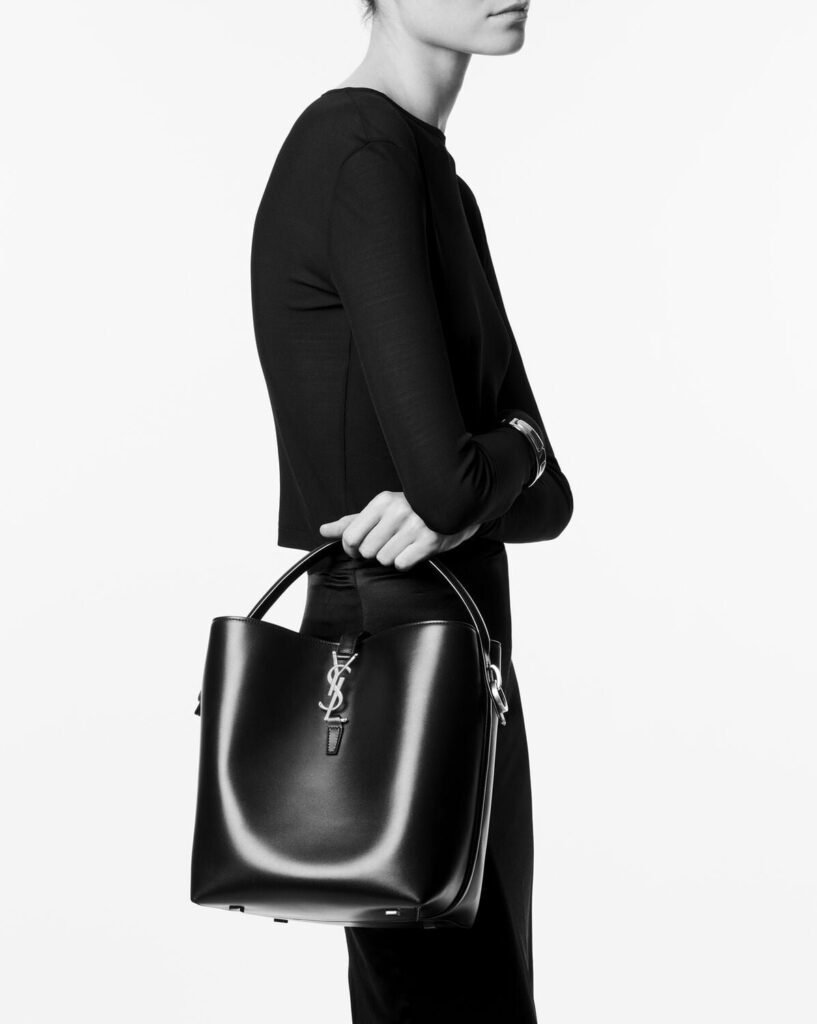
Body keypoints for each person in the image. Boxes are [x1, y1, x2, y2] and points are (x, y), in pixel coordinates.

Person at [249, 1, 573, 1019]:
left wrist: (502, 462)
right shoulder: (358, 152)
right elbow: (457, 482)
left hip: (465, 664)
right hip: (389, 662)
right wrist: (505, 455)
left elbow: (547, 498)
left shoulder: (436, 181)